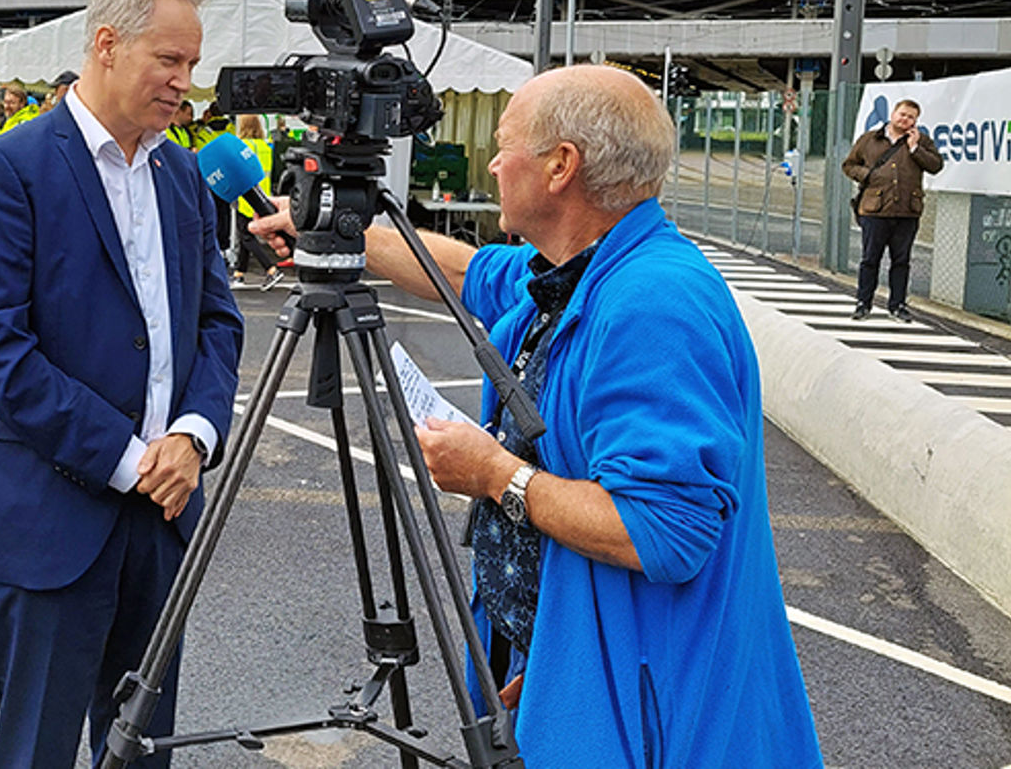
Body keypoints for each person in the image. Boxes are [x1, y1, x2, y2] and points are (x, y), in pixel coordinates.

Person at [251, 65, 823, 769]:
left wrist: (497, 475)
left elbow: (664, 532)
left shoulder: (653, 304)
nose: (491, 162)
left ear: (561, 166)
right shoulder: (571, 271)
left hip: (654, 721)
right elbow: (461, 273)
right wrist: (335, 232)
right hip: (577, 666)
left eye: (504, 143)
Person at [0, 0, 243, 769]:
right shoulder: (8, 168)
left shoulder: (180, 170)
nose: (186, 83)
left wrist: (193, 434)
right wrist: (127, 458)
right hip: (52, 517)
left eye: (192, 64)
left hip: (163, 512)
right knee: (37, 750)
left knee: (143, 750)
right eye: (169, 61)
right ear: (106, 45)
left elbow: (217, 318)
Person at [842, 98, 942, 322]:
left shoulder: (922, 141)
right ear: (893, 113)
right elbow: (848, 165)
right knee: (870, 259)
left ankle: (897, 305)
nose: (905, 119)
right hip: (875, 210)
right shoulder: (870, 139)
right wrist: (867, 175)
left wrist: (915, 149)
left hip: (907, 211)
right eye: (902, 114)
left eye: (911, 117)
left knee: (901, 261)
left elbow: (936, 165)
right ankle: (863, 303)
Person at [229, 114, 282, 290]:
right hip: (264, 195)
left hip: (245, 197)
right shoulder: (266, 145)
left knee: (245, 236)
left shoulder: (243, 146)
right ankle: (239, 272)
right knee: (245, 235)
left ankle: (271, 269)